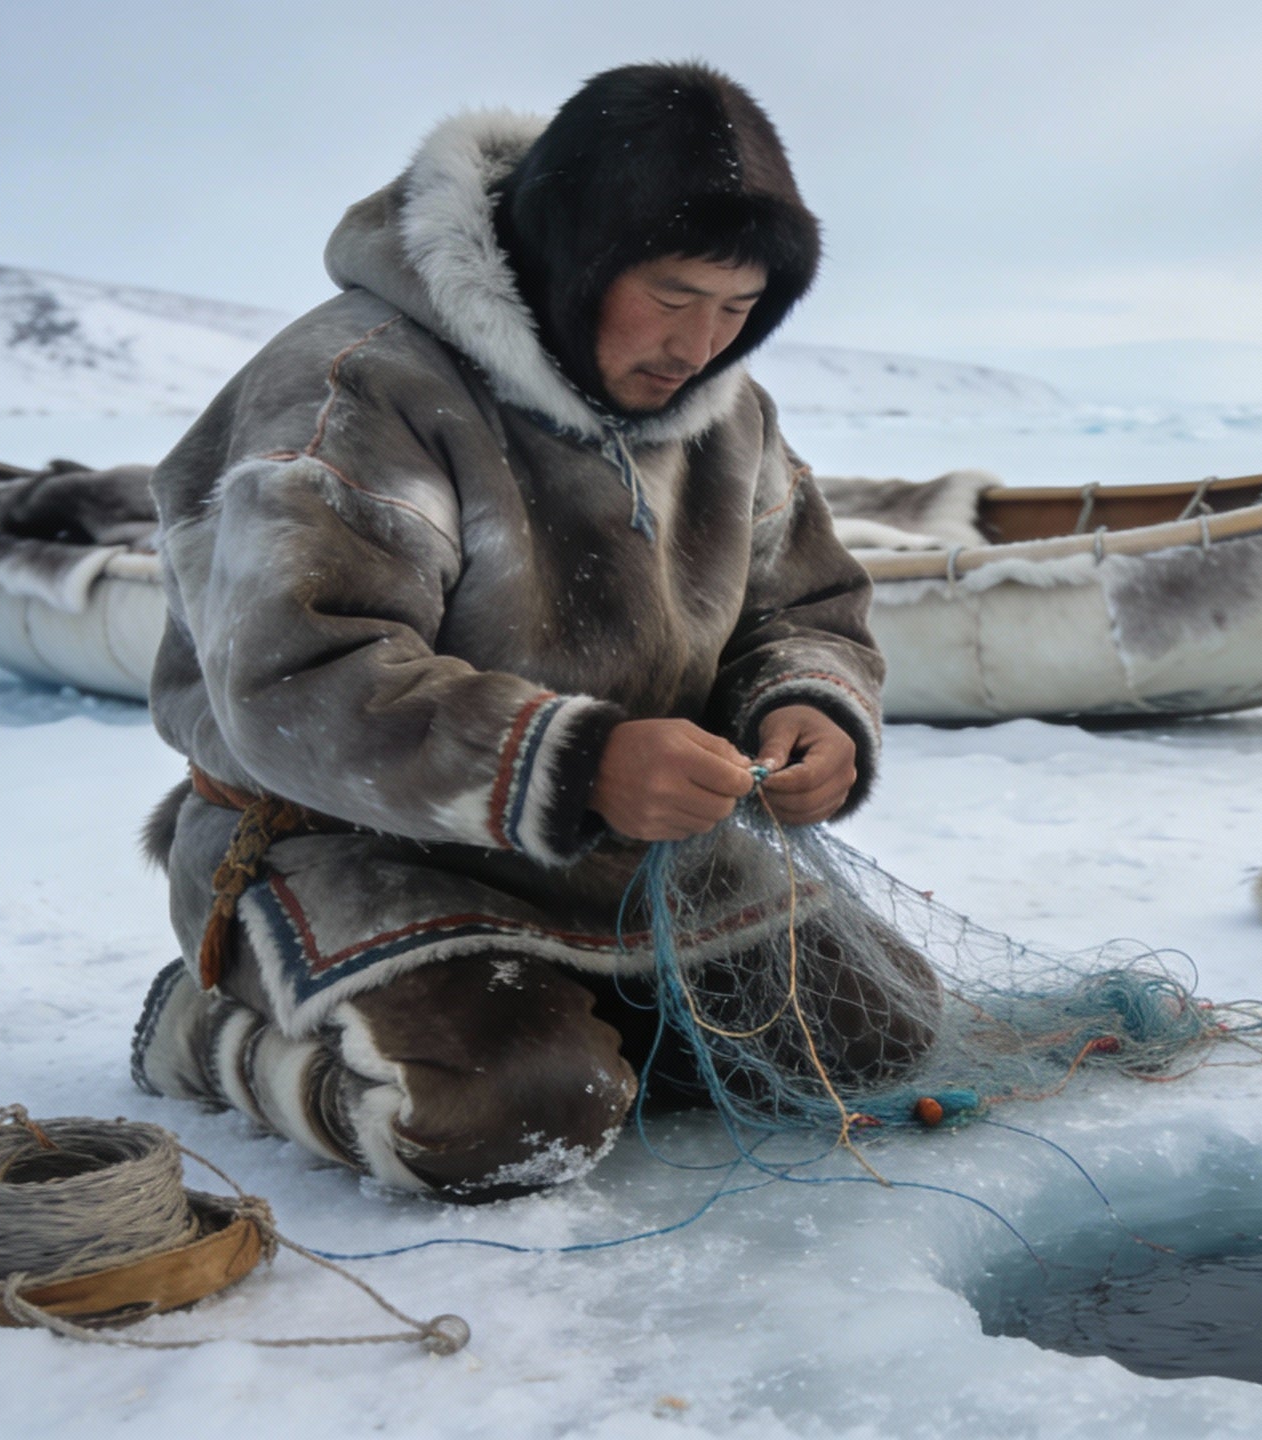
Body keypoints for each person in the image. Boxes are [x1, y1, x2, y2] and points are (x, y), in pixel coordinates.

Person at [129, 63, 903, 1202]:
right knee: (514, 1114)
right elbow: (299, 680)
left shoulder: (728, 415)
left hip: (616, 856)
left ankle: (579, 1013)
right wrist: (583, 763)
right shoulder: (356, 388)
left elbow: (805, 604)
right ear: (572, 253)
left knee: (871, 1038)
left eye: (739, 310)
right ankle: (206, 1028)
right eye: (673, 294)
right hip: (349, 847)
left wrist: (808, 706)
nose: (700, 344)